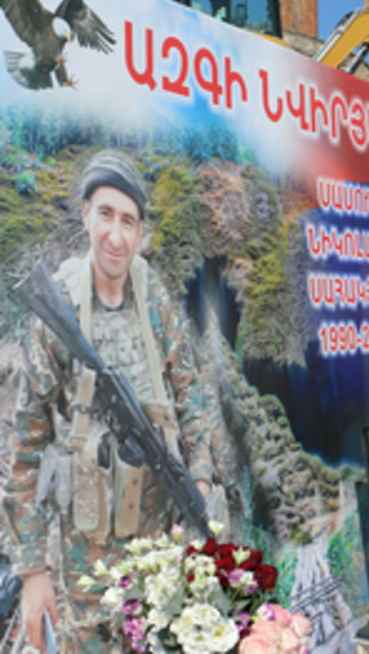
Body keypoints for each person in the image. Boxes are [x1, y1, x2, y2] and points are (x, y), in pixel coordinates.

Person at [6, 151, 218, 653]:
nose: (116, 236)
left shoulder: (154, 300)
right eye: (105, 215)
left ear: (140, 231)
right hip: (87, 571)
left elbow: (191, 396)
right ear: (85, 215)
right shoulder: (58, 308)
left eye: (128, 221)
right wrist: (33, 571)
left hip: (157, 558)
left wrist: (201, 479)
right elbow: (25, 448)